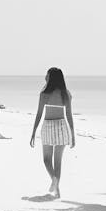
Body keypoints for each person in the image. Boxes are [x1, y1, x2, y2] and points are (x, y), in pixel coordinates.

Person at [29, 67, 75, 198]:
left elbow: (38, 114)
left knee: (46, 160)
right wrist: (72, 135)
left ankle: (55, 184)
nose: (45, 76)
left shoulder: (44, 93)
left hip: (48, 126)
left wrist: (33, 132)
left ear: (51, 78)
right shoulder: (66, 94)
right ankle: (57, 190)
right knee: (58, 161)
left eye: (47, 75)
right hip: (61, 126)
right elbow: (69, 115)